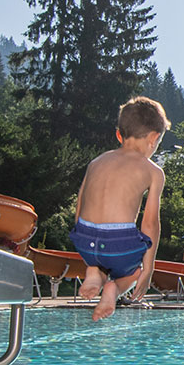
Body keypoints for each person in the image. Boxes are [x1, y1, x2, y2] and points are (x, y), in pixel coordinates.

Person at [72, 96, 170, 322]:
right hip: (118, 242)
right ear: (154, 138)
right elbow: (150, 224)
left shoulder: (96, 161)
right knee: (133, 272)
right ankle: (113, 291)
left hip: (84, 240)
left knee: (100, 255)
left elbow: (79, 207)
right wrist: (147, 269)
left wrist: (85, 250)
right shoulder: (153, 171)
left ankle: (94, 272)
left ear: (119, 135)